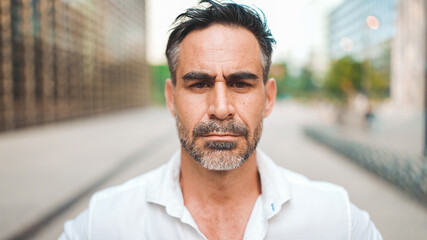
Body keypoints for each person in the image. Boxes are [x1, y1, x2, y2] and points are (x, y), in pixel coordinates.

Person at [60, 1, 383, 239]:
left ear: (268, 98)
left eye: (240, 83)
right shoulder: (103, 224)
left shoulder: (336, 220)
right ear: (172, 99)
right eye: (199, 84)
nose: (221, 107)